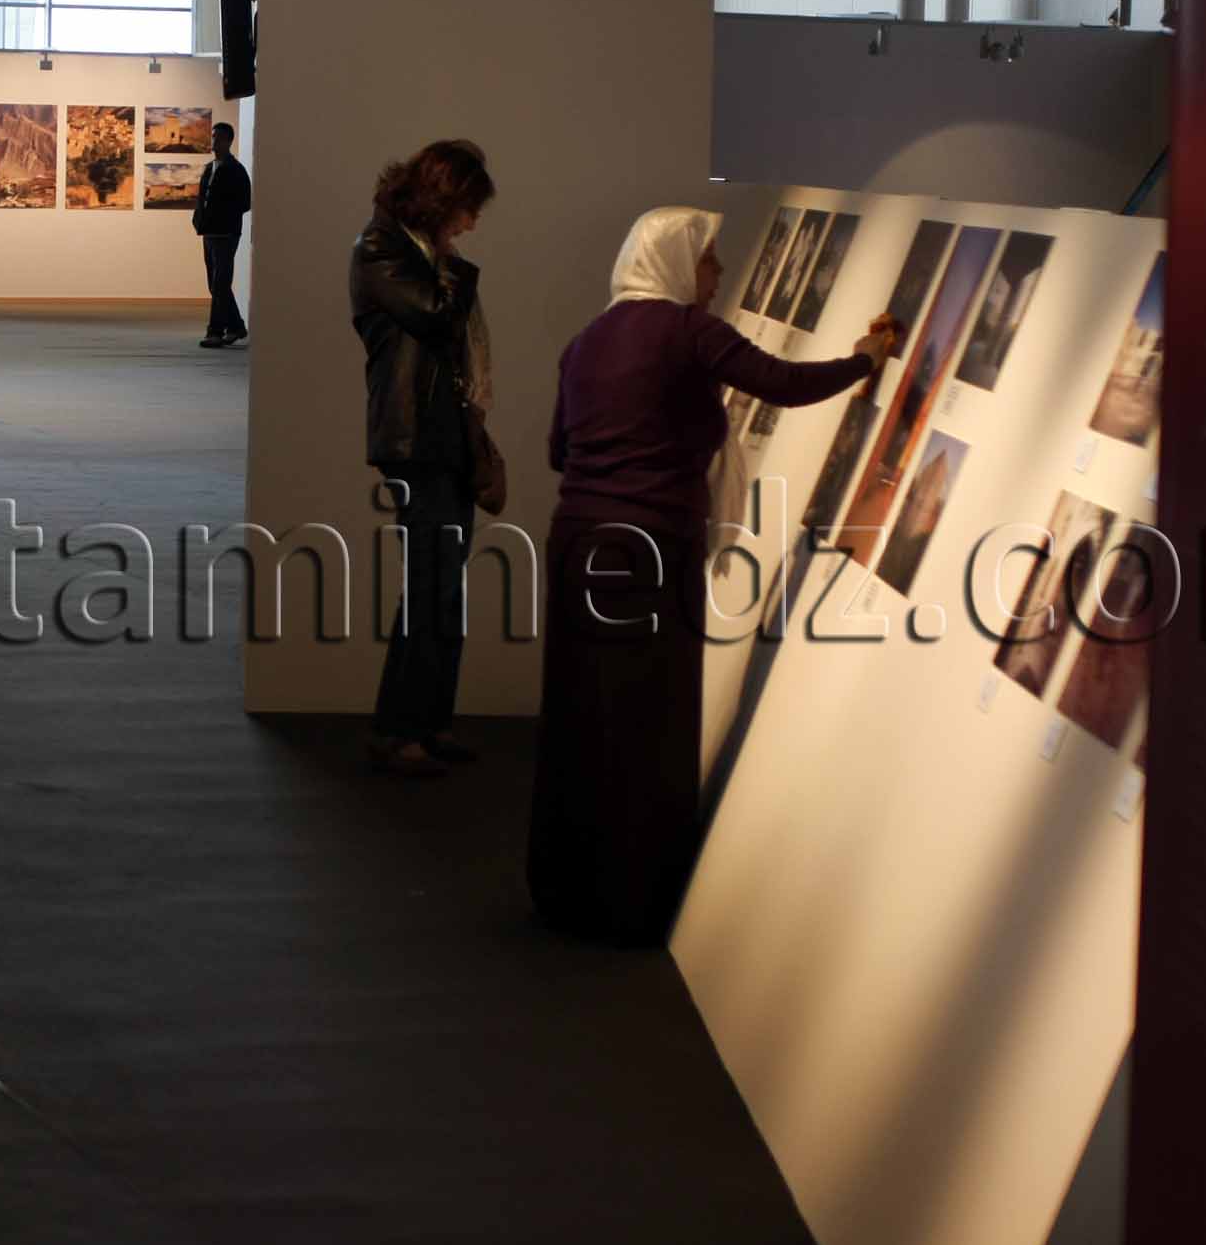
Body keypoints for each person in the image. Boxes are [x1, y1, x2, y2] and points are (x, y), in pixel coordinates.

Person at [528, 205, 896, 941]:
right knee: (648, 718)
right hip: (653, 548)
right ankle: (632, 896)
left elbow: (558, 451)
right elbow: (782, 382)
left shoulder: (587, 340)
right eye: (708, 259)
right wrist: (865, 361)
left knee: (580, 714)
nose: (719, 274)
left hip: (577, 546)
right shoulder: (686, 331)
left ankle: (568, 886)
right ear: (674, 263)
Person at [350, 139, 498, 776]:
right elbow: (437, 317)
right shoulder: (381, 249)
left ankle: (425, 724)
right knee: (430, 585)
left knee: (443, 590)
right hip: (414, 443)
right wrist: (453, 265)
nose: (471, 223)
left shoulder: (418, 254)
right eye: (466, 209)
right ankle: (401, 731)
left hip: (444, 437)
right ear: (441, 202)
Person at [194, 123, 252, 347]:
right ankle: (236, 326)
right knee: (215, 283)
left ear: (229, 141)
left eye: (218, 138)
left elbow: (245, 202)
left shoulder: (236, 170)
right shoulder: (210, 168)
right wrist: (198, 219)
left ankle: (215, 332)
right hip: (209, 232)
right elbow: (202, 198)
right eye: (213, 137)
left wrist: (224, 217)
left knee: (220, 283)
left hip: (226, 234)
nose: (214, 141)